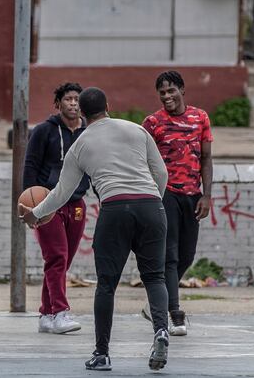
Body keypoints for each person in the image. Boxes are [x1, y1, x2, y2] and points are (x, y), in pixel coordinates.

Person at [20, 87, 170, 372]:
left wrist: (36, 215)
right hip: (151, 205)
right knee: (155, 277)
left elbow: (62, 192)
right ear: (108, 106)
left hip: (115, 208)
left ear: (84, 114)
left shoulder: (81, 143)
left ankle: (102, 354)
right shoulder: (137, 130)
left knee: (106, 285)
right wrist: (154, 204)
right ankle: (161, 331)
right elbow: (161, 173)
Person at [142, 70, 213, 337]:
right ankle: (175, 313)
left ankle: (156, 300)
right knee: (169, 256)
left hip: (192, 195)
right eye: (162, 92)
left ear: (182, 90)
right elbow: (143, 160)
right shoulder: (152, 123)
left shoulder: (200, 118)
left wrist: (206, 195)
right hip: (164, 194)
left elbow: (206, 158)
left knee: (187, 255)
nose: (167, 96)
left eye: (171, 91)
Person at [23, 82, 90, 334]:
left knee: (61, 261)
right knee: (57, 258)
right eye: (68, 99)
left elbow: (94, 167)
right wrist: (28, 206)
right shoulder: (44, 131)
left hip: (76, 203)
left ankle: (46, 313)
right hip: (47, 202)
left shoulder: (88, 132)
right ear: (58, 104)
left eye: (77, 99)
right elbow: (29, 166)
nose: (73, 103)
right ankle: (60, 312)